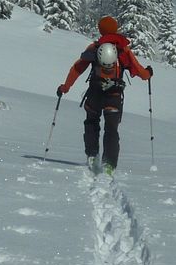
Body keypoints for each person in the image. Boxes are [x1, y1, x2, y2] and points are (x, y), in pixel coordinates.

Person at [57, 16, 152, 175]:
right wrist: (148, 73)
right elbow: (139, 71)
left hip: (94, 92)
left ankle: (92, 155)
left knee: (91, 122)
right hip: (114, 95)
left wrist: (65, 87)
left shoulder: (94, 47)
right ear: (115, 29)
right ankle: (109, 164)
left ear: (100, 30)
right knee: (111, 129)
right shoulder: (122, 49)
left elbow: (77, 68)